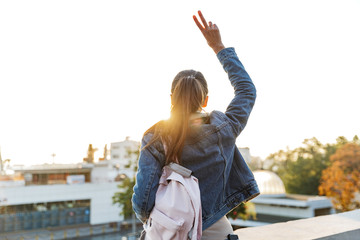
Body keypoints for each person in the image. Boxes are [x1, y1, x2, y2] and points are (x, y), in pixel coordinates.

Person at [132, 10, 260, 240]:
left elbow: (142, 201)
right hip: (217, 232)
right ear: (205, 100)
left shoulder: (155, 137)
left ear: (172, 97)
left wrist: (168, 223)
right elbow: (246, 90)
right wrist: (218, 46)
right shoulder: (226, 127)